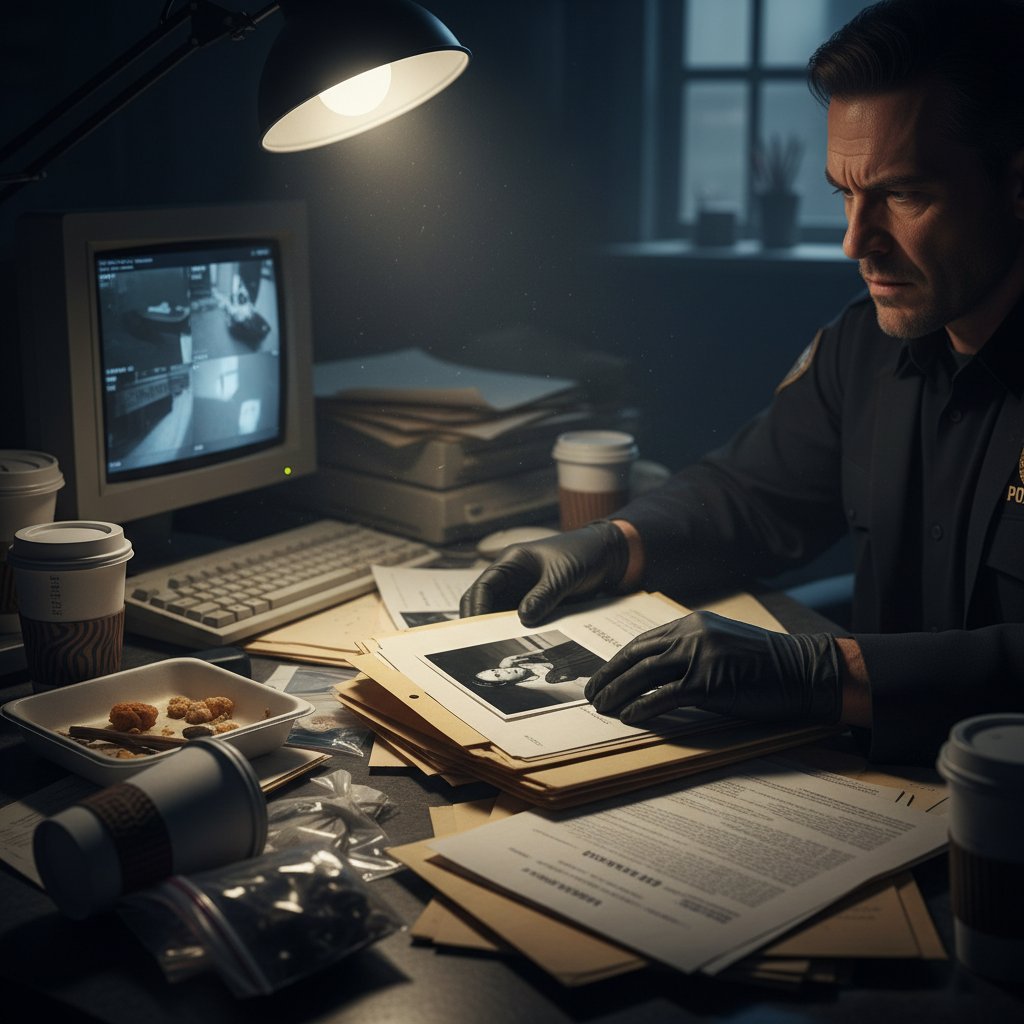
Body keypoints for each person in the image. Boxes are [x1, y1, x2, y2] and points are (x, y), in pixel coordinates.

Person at [460, 0, 1024, 765]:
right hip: (876, 783)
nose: (858, 241)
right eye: (844, 195)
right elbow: (754, 495)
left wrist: (827, 671)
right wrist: (610, 543)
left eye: (902, 195)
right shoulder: (865, 346)